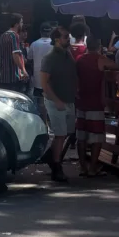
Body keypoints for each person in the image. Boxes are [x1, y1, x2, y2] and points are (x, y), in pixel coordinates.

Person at [40, 27, 78, 182]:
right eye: (65, 37)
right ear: (56, 39)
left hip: (69, 99)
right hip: (56, 101)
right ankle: (57, 166)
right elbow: (44, 82)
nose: (68, 39)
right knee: (60, 134)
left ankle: (51, 156)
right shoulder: (49, 58)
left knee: (68, 132)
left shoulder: (68, 54)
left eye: (68, 36)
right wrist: (56, 100)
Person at [75, 35, 117, 177]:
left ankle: (82, 168)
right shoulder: (100, 59)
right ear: (99, 46)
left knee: (81, 137)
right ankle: (92, 168)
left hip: (81, 101)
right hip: (96, 103)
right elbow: (116, 66)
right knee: (97, 138)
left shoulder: (80, 59)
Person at [27, 23, 55, 119]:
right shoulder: (55, 45)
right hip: (52, 79)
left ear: (40, 32)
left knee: (40, 103)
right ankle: (51, 122)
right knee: (52, 102)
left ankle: (43, 122)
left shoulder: (34, 44)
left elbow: (29, 59)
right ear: (50, 32)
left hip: (38, 79)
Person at [0, 13, 30, 93]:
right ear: (16, 24)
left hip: (4, 75)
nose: (22, 24)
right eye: (21, 22)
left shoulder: (3, 35)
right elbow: (15, 54)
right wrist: (23, 70)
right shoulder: (14, 36)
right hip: (14, 75)